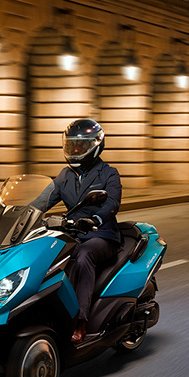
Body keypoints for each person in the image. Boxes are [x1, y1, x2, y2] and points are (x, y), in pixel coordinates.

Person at [40, 118, 122, 343]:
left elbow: (112, 203)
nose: (75, 150)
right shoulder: (65, 176)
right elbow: (44, 200)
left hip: (101, 235)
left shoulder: (109, 173)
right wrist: (20, 212)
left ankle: (80, 321)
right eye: (72, 145)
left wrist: (95, 219)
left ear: (96, 145)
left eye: (81, 145)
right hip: (74, 234)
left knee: (84, 255)